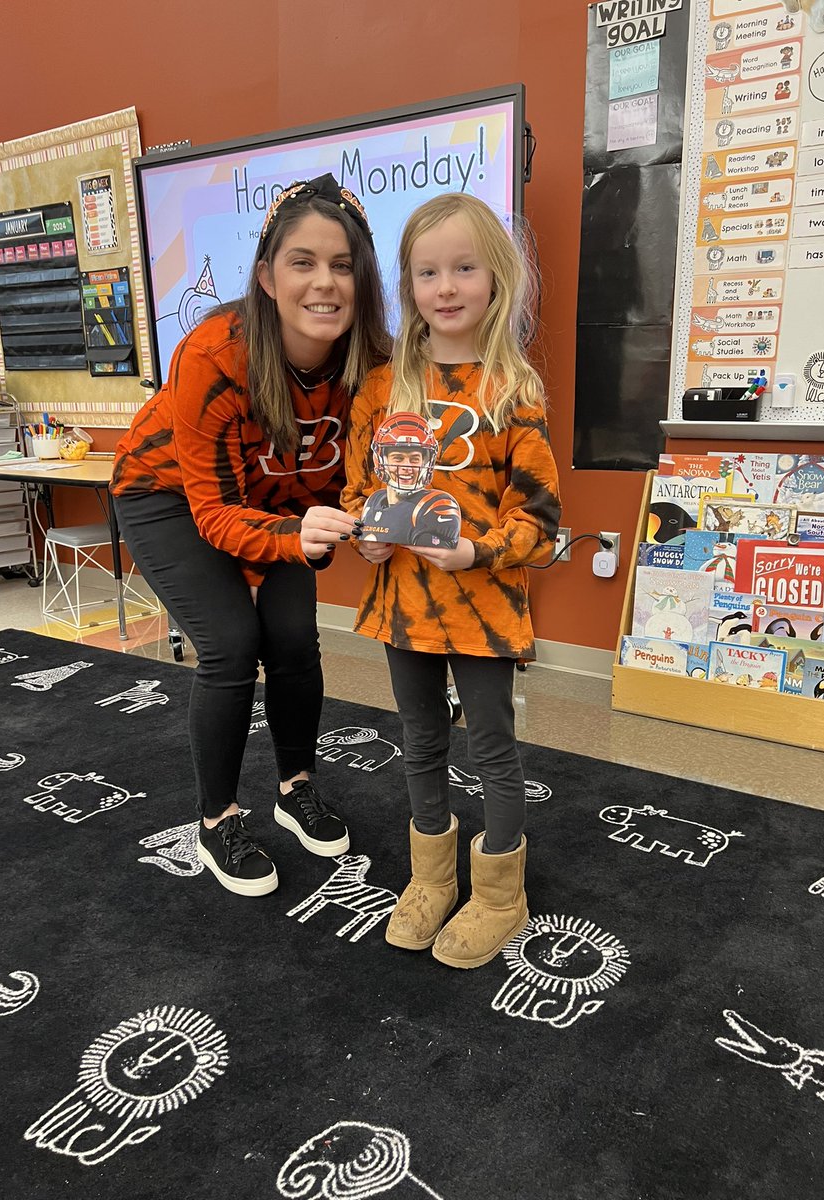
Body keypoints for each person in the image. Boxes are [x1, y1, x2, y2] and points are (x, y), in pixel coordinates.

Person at [111, 174, 389, 897]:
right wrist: (299, 537)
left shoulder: (375, 361)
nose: (324, 283)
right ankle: (216, 820)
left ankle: (295, 788)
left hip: (285, 506)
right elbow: (213, 515)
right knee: (233, 643)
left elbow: (379, 467)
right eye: (303, 262)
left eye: (342, 264)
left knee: (294, 637)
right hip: (167, 496)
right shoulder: (214, 353)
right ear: (267, 276)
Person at [342, 193, 561, 969]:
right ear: (408, 284)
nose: (446, 287)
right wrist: (365, 536)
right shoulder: (381, 386)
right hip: (403, 606)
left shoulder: (513, 390)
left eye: (464, 268)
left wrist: (479, 552)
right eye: (428, 271)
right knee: (419, 739)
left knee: (493, 747)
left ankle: (501, 891)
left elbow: (539, 517)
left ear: (496, 279)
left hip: (483, 608)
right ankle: (431, 878)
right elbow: (356, 488)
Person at [358, 412, 461, 549]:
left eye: (414, 459)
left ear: (425, 462)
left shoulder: (435, 505)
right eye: (398, 458)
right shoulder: (375, 500)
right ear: (381, 460)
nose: (407, 466)